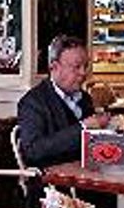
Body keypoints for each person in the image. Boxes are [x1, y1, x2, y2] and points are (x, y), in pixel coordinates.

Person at [17, 35, 109, 169]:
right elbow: (33, 151)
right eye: (76, 67)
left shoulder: (85, 98)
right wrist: (83, 128)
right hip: (52, 183)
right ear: (54, 67)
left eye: (86, 66)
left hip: (85, 177)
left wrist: (109, 132)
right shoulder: (33, 102)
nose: (83, 73)